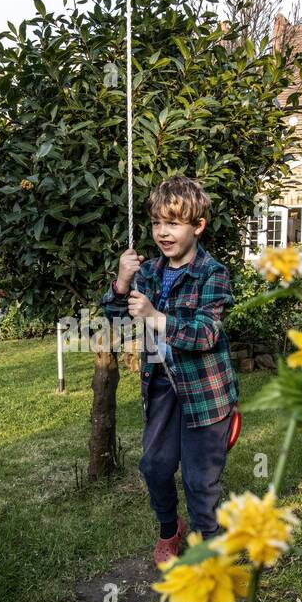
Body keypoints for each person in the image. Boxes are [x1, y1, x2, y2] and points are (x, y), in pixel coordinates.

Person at [101, 177, 239, 564]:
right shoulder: (148, 272)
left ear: (197, 227)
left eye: (174, 223)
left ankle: (207, 550)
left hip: (205, 391)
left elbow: (206, 333)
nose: (163, 232)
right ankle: (169, 528)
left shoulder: (213, 273)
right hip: (162, 385)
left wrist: (156, 316)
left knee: (200, 480)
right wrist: (123, 282)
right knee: (154, 466)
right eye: (158, 222)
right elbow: (114, 316)